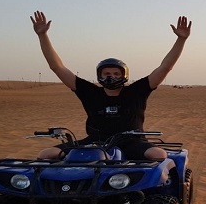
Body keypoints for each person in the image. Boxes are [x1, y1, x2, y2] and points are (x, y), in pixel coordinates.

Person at [30, 10, 191, 160]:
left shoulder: (137, 91)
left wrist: (181, 39)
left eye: (116, 74)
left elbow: (165, 67)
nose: (111, 77)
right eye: (106, 74)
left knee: (158, 154)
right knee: (47, 153)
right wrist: (42, 35)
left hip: (132, 142)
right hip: (95, 142)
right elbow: (57, 67)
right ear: (99, 75)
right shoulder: (90, 92)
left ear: (124, 76)